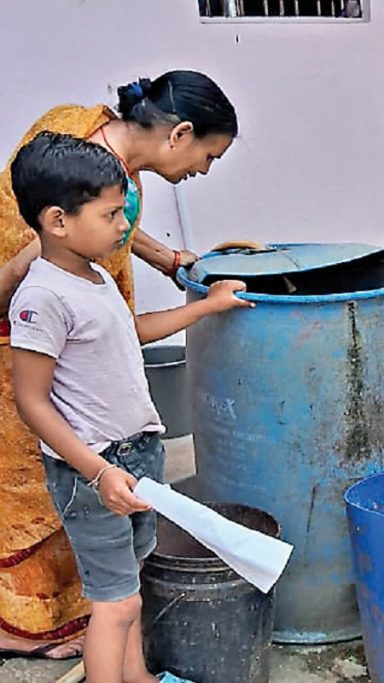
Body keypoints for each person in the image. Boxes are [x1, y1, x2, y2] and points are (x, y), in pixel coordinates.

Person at [0, 70, 237, 660]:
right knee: (112, 596)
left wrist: (202, 301)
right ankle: (32, 623)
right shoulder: (45, 292)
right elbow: (33, 400)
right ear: (180, 134)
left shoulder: (95, 272)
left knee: (125, 591)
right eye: (208, 156)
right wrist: (98, 470)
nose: (124, 227)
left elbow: (127, 328)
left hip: (127, 449)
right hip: (88, 457)